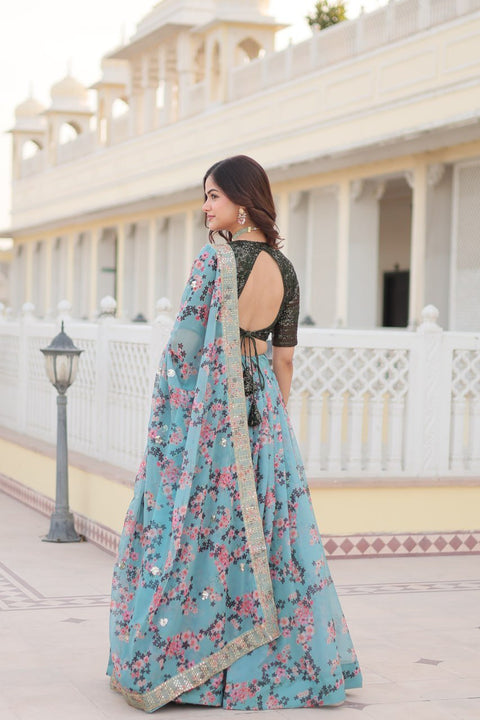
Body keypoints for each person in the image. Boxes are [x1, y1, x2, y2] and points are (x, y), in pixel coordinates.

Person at [107, 155, 362, 712]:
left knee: (202, 532)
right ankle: (272, 668)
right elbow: (284, 360)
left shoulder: (213, 262)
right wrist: (270, 421)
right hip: (263, 411)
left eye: (213, 196)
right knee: (270, 536)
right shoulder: (285, 270)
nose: (205, 207)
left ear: (242, 202)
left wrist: (175, 422)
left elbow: (184, 350)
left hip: (215, 411)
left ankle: (194, 668)